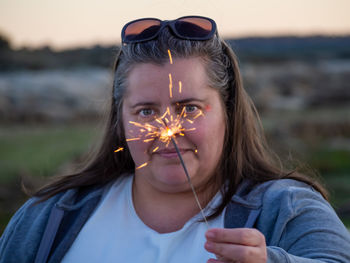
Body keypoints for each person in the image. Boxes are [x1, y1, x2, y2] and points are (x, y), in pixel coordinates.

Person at [1, 15, 350, 263]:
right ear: (120, 120)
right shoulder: (48, 219)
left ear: (227, 111)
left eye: (188, 108)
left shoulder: (287, 210)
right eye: (146, 112)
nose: (168, 129)